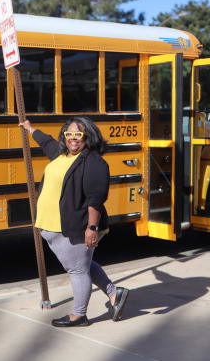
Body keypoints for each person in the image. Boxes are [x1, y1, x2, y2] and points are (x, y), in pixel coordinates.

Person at [19, 117, 129, 327]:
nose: (73, 139)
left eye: (78, 134)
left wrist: (92, 228)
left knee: (78, 271)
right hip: (53, 225)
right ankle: (115, 294)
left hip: (78, 226)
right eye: (68, 134)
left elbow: (95, 199)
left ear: (88, 136)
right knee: (82, 265)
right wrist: (30, 128)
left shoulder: (94, 162)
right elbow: (47, 143)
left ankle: (79, 315)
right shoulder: (62, 156)